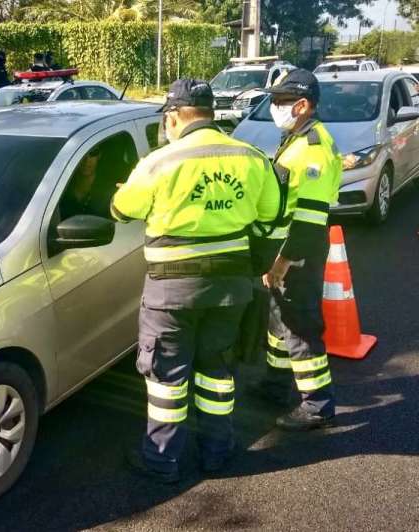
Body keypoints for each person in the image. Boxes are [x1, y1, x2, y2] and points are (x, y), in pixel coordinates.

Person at [111, 79, 281, 481]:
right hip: (230, 290)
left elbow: (121, 209)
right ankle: (217, 451)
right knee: (217, 373)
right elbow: (271, 215)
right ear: (210, 113)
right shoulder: (252, 157)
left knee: (167, 380)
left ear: (173, 117)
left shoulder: (158, 163)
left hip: (171, 293)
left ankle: (161, 459)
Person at [248, 69, 341, 431]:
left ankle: (317, 404)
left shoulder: (312, 148)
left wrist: (281, 265)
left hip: (297, 253)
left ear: (301, 105)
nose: (274, 108)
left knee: (299, 325)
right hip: (286, 250)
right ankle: (275, 384)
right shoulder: (297, 137)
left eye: (280, 102)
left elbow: (308, 222)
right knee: (279, 322)